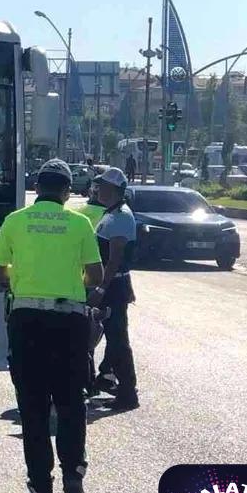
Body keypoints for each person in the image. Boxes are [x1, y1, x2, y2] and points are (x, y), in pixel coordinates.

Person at [0, 158, 104, 493]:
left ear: (38, 188)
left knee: (33, 407)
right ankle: (73, 478)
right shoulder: (79, 223)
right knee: (70, 403)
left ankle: (41, 489)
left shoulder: (15, 221)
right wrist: (70, 282)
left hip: (26, 321)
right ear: (67, 192)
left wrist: (21, 277)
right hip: (69, 322)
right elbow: (95, 276)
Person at [90, 168, 139, 410]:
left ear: (115, 191)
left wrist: (100, 289)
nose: (100, 190)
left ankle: (128, 393)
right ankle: (107, 377)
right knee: (113, 336)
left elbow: (114, 259)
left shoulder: (120, 216)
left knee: (118, 339)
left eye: (104, 187)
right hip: (114, 283)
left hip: (114, 285)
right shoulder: (110, 213)